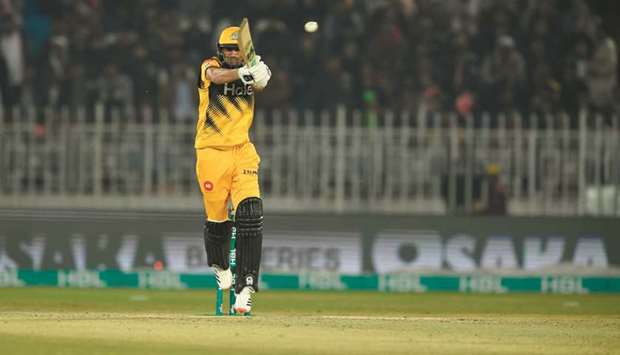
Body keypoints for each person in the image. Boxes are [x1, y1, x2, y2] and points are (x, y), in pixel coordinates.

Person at [195, 25, 271, 314]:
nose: (232, 53)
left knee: (251, 213)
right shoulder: (209, 67)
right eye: (227, 49)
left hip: (242, 151)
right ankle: (220, 266)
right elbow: (216, 77)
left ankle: (246, 286)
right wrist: (244, 72)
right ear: (220, 51)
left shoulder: (250, 67)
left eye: (236, 48)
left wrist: (261, 73)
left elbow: (262, 83)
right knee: (217, 221)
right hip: (211, 153)